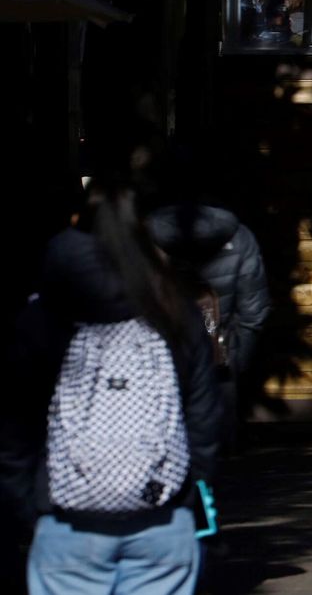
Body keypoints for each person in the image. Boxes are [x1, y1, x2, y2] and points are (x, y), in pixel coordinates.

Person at [8, 182, 221, 594]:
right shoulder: (176, 312)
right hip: (164, 516)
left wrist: (29, 506)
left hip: (66, 519)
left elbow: (17, 424)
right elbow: (204, 418)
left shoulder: (43, 316)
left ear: (74, 227)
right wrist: (193, 494)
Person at [145, 159, 271, 449]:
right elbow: (255, 310)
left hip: (158, 354)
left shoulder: (144, 234)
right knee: (215, 452)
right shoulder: (239, 235)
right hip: (219, 354)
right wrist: (236, 357)